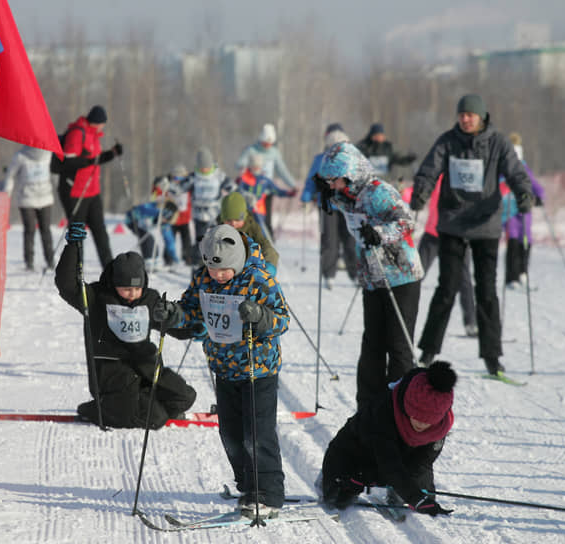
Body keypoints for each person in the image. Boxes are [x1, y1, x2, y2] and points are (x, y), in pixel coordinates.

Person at [153, 224, 290, 518]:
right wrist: (174, 315)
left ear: (237, 260)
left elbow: (282, 320)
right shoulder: (204, 278)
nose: (219, 275)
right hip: (225, 368)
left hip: (258, 369)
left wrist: (260, 316)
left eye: (225, 270)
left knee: (257, 434)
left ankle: (267, 493)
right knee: (230, 433)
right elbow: (192, 310)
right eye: (214, 270)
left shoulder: (258, 279)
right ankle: (247, 484)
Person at [409, 94, 534, 375]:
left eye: (471, 115)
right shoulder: (447, 141)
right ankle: (427, 352)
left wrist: (524, 192)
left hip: (486, 225)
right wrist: (421, 193)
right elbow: (429, 170)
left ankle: (492, 357)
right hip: (453, 223)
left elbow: (515, 171)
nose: (465, 119)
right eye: (461, 114)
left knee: (487, 291)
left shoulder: (498, 142)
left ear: (481, 116)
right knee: (446, 288)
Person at [315, 141, 424, 409]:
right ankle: (369, 404)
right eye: (328, 181)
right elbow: (343, 203)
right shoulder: (347, 194)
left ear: (352, 174)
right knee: (372, 345)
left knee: (398, 346)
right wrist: (326, 194)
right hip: (372, 277)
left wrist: (380, 234)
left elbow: (407, 220)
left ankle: (398, 406)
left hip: (401, 276)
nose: (333, 185)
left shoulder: (379, 193)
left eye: (335, 180)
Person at [54, 229, 196, 429]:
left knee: (185, 396)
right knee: (153, 418)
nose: (132, 294)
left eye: (137, 289)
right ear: (114, 284)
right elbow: (67, 285)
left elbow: (170, 326)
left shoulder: (149, 299)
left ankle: (144, 404)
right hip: (113, 373)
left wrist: (190, 329)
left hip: (145, 367)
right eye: (126, 289)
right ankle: (98, 409)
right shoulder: (97, 298)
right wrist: (72, 248)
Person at [321, 361, 457, 517]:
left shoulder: (441, 426)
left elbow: (422, 463)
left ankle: (396, 490)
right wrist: (369, 477)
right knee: (336, 501)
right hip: (359, 453)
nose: (421, 423)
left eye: (428, 420)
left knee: (422, 505)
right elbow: (388, 462)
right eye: (416, 416)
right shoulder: (384, 410)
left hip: (399, 462)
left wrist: (416, 497)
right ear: (407, 406)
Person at [407, 177, 478, 337]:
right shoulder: (438, 175)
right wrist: (411, 195)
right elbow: (420, 188)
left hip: (457, 235)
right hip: (433, 233)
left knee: (464, 279)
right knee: (414, 275)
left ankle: (471, 322)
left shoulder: (465, 176)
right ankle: (399, 315)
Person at [57, 105, 123, 268]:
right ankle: (76, 272)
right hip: (75, 192)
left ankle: (109, 271)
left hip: (92, 192)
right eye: (103, 123)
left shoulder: (93, 135)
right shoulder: (77, 133)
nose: (103, 127)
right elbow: (68, 162)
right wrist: (88, 161)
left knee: (100, 232)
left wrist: (112, 153)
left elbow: (95, 160)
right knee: (77, 234)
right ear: (98, 122)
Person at [302, 125, 358, 289]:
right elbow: (311, 180)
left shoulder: (351, 159)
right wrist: (306, 197)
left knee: (350, 240)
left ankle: (355, 273)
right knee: (329, 241)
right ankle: (329, 274)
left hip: (347, 205)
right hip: (327, 205)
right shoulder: (320, 159)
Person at [236, 123, 297, 238]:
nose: (267, 145)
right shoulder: (252, 150)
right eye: (265, 143)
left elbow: (282, 170)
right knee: (247, 222)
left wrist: (292, 185)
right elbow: (240, 163)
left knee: (265, 222)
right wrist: (243, 169)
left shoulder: (274, 153)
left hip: (266, 191)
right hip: (250, 191)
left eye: (269, 143)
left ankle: (268, 248)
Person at [503, 132, 545, 289]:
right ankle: (511, 276)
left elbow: (532, 182)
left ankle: (523, 272)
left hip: (524, 209)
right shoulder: (504, 167)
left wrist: (540, 195)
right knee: (513, 239)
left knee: (526, 240)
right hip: (509, 208)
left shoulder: (524, 167)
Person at [4, 145, 56, 271]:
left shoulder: (21, 155)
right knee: (42, 230)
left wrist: (7, 193)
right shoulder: (23, 156)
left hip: (33, 198)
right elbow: (11, 175)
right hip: (34, 199)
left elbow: (10, 175)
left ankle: (41, 261)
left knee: (32, 231)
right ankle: (41, 261)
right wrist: (7, 193)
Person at [124, 178, 180, 270]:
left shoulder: (165, 222)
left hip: (145, 222)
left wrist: (175, 258)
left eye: (167, 220)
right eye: (165, 218)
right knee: (148, 238)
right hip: (133, 220)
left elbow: (169, 240)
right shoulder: (152, 210)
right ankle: (148, 261)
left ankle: (154, 260)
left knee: (152, 241)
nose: (165, 221)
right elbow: (142, 213)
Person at [187, 147, 231, 265]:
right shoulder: (193, 177)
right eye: (202, 167)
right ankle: (198, 266)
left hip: (215, 214)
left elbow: (232, 187)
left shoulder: (219, 175)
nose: (204, 169)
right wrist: (168, 187)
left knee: (217, 240)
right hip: (199, 215)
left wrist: (244, 196)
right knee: (200, 241)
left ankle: (219, 263)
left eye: (206, 167)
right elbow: (179, 188)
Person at [219, 192, 279, 276]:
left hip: (249, 271)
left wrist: (269, 265)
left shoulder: (252, 228)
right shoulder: (218, 230)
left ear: (244, 217)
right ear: (223, 219)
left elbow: (266, 246)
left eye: (237, 220)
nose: (233, 223)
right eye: (229, 220)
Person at [231, 152, 296, 231]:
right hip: (245, 211)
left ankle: (264, 242)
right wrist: (246, 195)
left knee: (260, 231)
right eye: (254, 167)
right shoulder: (244, 178)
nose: (256, 169)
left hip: (259, 211)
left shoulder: (264, 180)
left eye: (258, 167)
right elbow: (238, 192)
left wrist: (288, 193)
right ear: (250, 166)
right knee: (245, 231)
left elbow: (276, 190)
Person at [166, 164, 194, 265]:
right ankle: (168, 258)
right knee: (169, 239)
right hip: (172, 219)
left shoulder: (188, 187)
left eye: (182, 178)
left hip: (184, 219)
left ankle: (188, 257)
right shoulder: (169, 186)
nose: (179, 180)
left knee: (186, 241)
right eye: (176, 178)